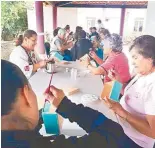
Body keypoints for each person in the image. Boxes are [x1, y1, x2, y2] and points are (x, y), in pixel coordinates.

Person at [2, 35, 155, 148]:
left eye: (135, 57)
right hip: (124, 131)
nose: (132, 62)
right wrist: (65, 106)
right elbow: (110, 133)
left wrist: (59, 108)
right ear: (25, 95)